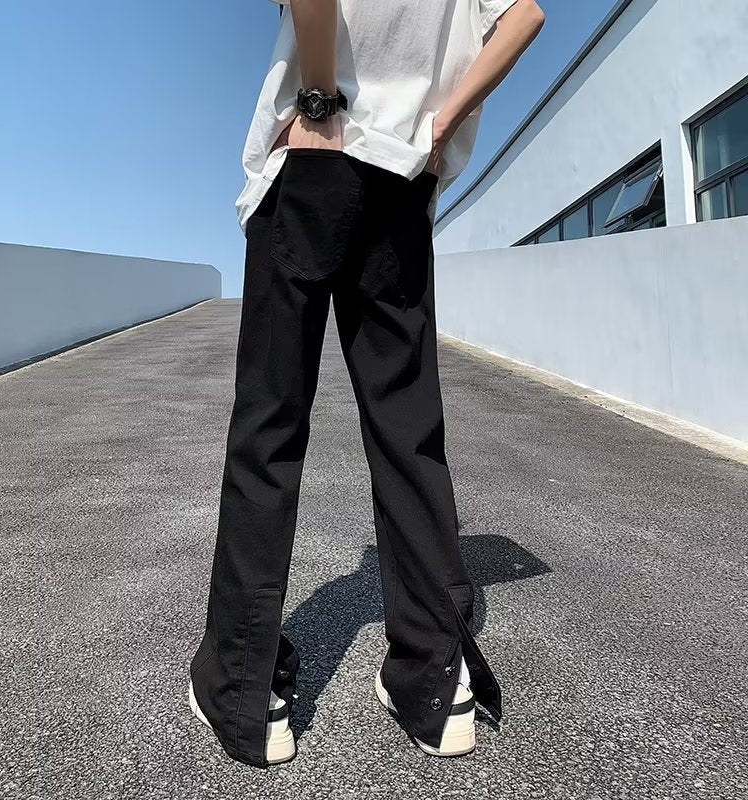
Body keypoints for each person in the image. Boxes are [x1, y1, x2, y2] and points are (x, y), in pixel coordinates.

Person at [189, 0, 545, 768]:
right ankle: (434, 684)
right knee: (408, 432)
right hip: (404, 176)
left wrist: (320, 101)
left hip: (316, 158)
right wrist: (439, 127)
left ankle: (242, 688)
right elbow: (526, 16)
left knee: (270, 425)